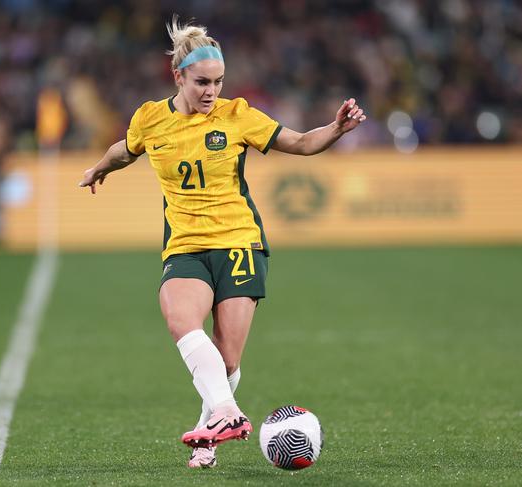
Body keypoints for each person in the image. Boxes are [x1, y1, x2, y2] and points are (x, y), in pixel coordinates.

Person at [79, 16, 366, 468]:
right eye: (201, 83)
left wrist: (335, 129)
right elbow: (124, 149)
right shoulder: (151, 120)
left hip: (238, 243)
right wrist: (100, 167)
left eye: (218, 82)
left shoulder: (238, 116)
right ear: (178, 77)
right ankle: (227, 412)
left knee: (226, 359)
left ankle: (209, 438)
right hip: (186, 246)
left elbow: (301, 143)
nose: (211, 92)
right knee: (180, 320)